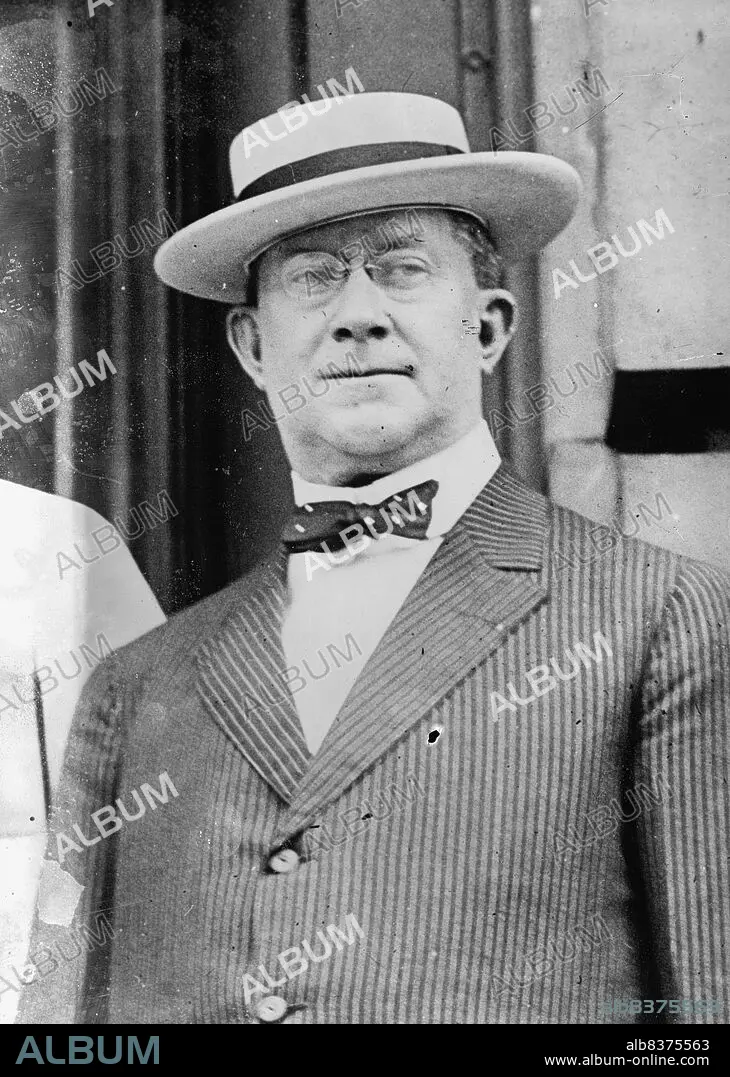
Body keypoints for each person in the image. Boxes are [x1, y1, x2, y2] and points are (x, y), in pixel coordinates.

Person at [19, 92, 729, 1025]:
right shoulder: (134, 684)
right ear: (253, 347)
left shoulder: (657, 617)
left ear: (488, 327)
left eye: (403, 270)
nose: (359, 314)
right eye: (315, 277)